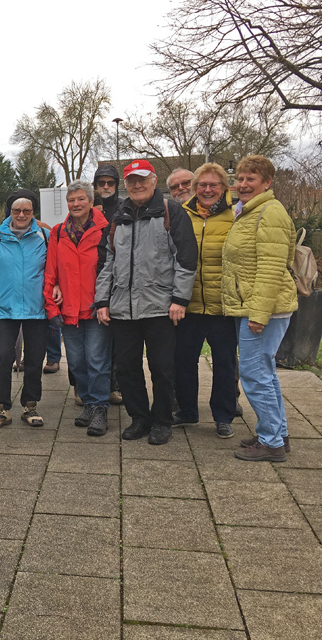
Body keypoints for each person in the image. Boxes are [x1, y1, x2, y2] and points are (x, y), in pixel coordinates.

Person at [95, 160, 198, 445]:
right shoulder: (119, 216)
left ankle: (162, 420)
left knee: (162, 369)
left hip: (160, 307)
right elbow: (108, 261)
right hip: (122, 309)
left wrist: (180, 299)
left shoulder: (170, 212)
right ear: (126, 184)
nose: (137, 185)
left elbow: (186, 259)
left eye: (142, 180)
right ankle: (139, 418)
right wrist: (102, 300)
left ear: (154, 181)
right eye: (131, 181)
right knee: (126, 368)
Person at [224, 155, 298, 462]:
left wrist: (258, 313)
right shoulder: (249, 211)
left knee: (254, 374)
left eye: (250, 179)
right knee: (265, 371)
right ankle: (277, 434)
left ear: (266, 183)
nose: (242, 184)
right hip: (258, 306)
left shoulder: (270, 213)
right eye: (240, 179)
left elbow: (271, 267)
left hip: (263, 309)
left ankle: (271, 443)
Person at [172, 163, 238, 438]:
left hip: (223, 302)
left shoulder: (236, 214)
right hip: (190, 302)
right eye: (203, 185)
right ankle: (188, 411)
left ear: (223, 188)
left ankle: (224, 415)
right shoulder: (182, 214)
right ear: (195, 188)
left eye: (214, 185)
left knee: (224, 362)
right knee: (183, 360)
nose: (207, 190)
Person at [44, 180, 113, 436]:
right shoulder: (59, 232)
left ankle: (99, 408)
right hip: (68, 309)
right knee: (76, 362)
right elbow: (50, 272)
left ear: (91, 202)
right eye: (71, 200)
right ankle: (87, 401)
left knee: (97, 360)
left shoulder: (106, 229)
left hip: (96, 309)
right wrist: (51, 307)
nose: (75, 204)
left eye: (81, 199)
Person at [0, 191, 50, 429]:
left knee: (35, 358)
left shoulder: (45, 237)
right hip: (5, 309)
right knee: (2, 358)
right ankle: (1, 409)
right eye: (16, 210)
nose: (21, 214)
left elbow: (55, 270)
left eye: (26, 211)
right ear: (9, 211)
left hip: (36, 310)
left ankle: (30, 406)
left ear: (33, 213)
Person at [92, 163, 124, 405]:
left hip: (118, 277)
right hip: (91, 275)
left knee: (116, 339)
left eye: (109, 183)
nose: (105, 187)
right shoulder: (87, 206)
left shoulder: (124, 208)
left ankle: (116, 384)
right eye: (101, 183)